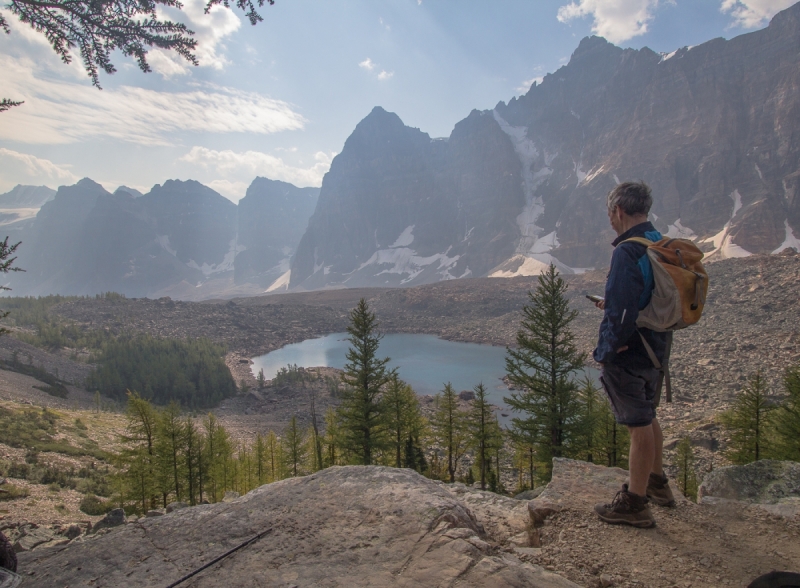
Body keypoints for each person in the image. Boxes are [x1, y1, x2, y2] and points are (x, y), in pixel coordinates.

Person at [592, 181, 675, 528]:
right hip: (656, 347)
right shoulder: (660, 244)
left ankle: (635, 503)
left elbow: (623, 312)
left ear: (618, 211)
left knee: (637, 424)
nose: (611, 220)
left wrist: (606, 350)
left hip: (631, 351)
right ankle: (657, 484)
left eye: (610, 214)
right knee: (648, 413)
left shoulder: (627, 251)